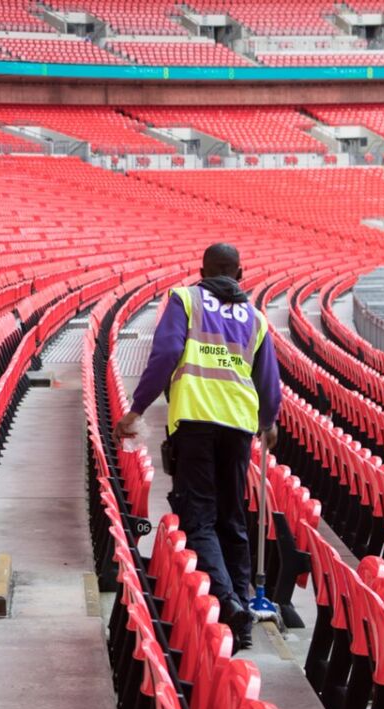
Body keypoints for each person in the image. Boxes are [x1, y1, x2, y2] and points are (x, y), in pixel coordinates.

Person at [115, 243, 282, 650]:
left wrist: (137, 408)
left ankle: (228, 604)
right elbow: (268, 379)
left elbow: (168, 352)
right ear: (240, 273)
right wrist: (268, 421)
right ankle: (240, 599)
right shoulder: (255, 317)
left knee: (200, 515)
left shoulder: (185, 299)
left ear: (202, 270)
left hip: (195, 421)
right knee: (233, 517)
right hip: (239, 426)